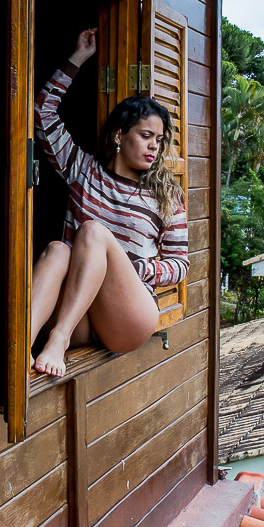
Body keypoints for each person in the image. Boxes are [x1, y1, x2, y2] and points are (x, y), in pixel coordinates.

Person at [30, 28, 189, 377]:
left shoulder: (166, 194)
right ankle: (21, 345)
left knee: (92, 232)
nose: (154, 146)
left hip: (127, 317)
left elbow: (180, 264)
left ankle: (57, 339)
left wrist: (139, 268)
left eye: (159, 139)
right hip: (82, 316)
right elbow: (42, 113)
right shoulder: (82, 170)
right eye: (146, 136)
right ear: (120, 135)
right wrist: (79, 57)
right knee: (57, 250)